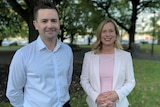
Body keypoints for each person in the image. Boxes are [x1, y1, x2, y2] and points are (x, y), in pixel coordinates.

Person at [6, 0, 73, 107]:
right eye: (44, 21)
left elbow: (67, 80)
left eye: (54, 20)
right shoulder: (23, 55)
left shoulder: (67, 51)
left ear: (59, 23)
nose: (50, 25)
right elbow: (13, 91)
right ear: (36, 24)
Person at [80, 19, 135, 107]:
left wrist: (117, 95)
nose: (107, 34)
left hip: (118, 104)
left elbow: (130, 82)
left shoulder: (125, 56)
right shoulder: (89, 56)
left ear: (116, 34)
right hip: (96, 104)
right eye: (104, 31)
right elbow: (84, 80)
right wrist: (96, 97)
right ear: (99, 34)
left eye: (111, 31)